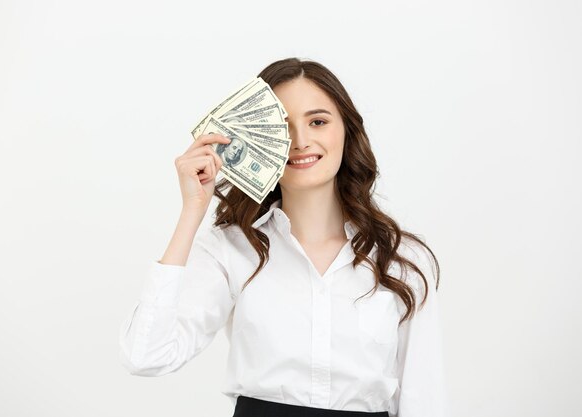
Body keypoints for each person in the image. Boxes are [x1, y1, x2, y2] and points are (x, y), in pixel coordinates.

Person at [119, 57, 450, 417]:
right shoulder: (232, 249)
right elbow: (146, 355)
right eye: (283, 127)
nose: (301, 141)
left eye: (318, 121)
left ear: (347, 131)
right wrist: (191, 213)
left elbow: (423, 400)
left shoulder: (402, 260)